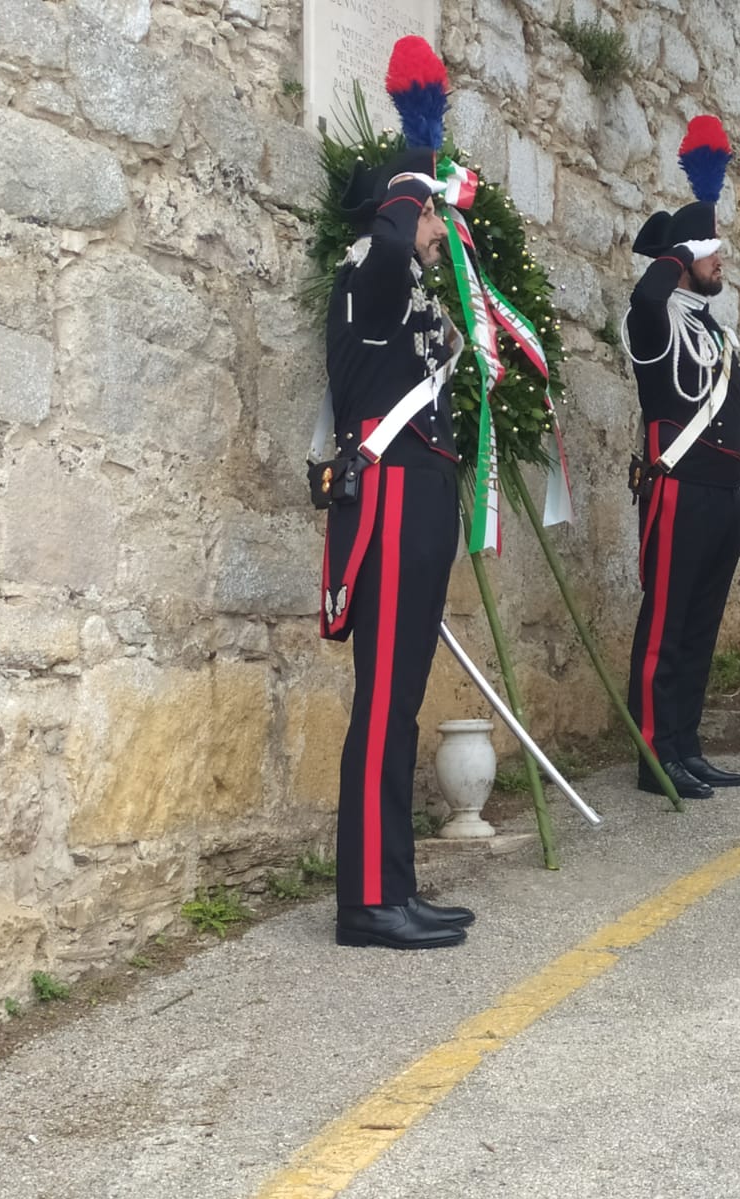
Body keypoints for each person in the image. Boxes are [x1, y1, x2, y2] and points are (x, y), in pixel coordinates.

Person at [318, 146, 475, 949]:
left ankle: (393, 886)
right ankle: (369, 902)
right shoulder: (370, 268)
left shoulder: (405, 284)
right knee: (382, 703)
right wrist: (417, 182)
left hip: (418, 498)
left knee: (400, 703)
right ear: (405, 208)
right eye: (433, 215)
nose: (441, 229)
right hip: (387, 502)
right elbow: (387, 242)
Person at [624, 116, 740, 802]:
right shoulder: (652, 317)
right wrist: (679, 243)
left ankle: (685, 745)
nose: (720, 261)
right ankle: (651, 753)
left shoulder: (712, 327)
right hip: (676, 487)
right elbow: (647, 293)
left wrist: (698, 234)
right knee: (664, 627)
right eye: (711, 252)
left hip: (720, 491)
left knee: (699, 629)